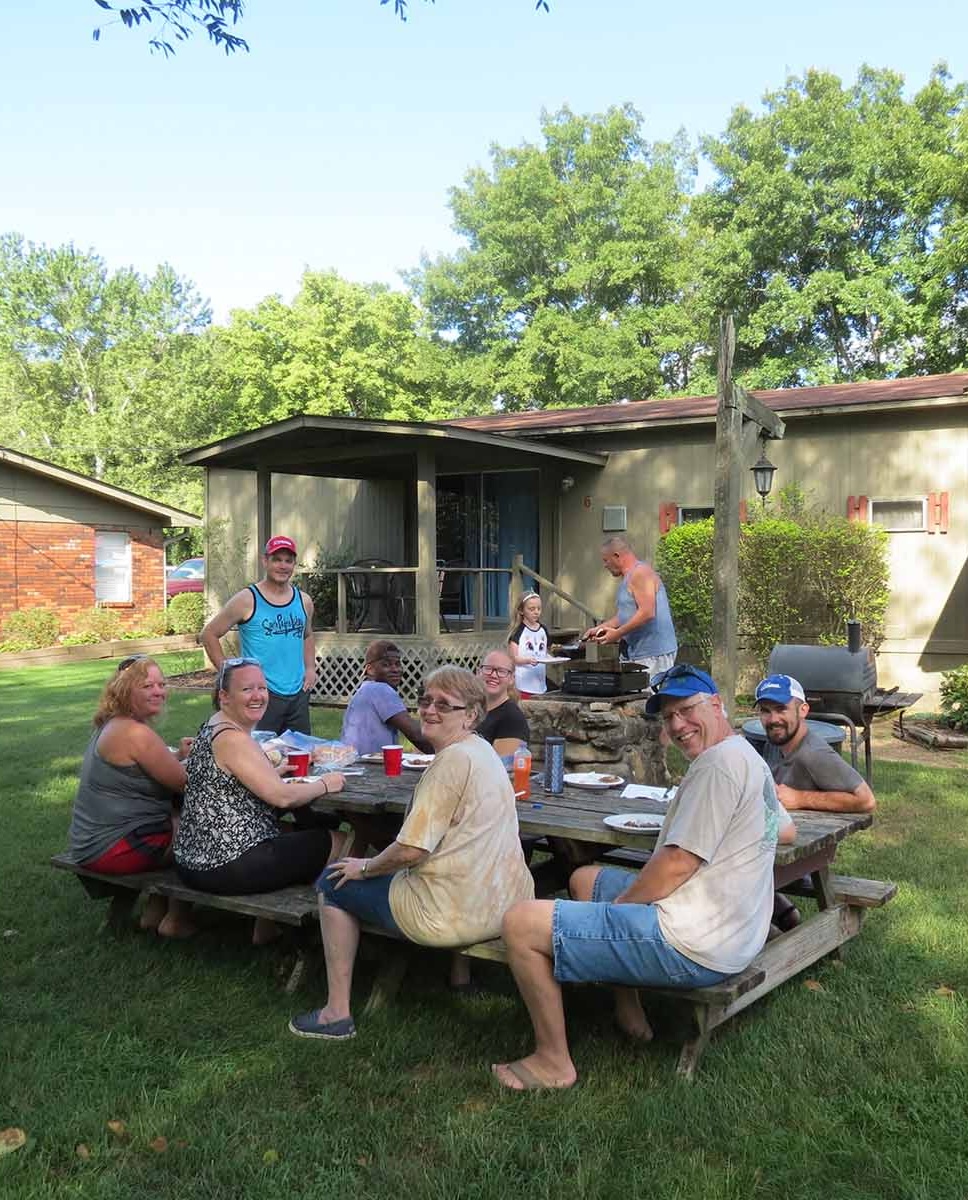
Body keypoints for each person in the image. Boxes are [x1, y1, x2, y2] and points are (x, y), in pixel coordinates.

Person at [491, 664, 795, 1091]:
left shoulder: (717, 767)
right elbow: (785, 828)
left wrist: (619, 913)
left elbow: (675, 865)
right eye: (668, 716)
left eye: (687, 709)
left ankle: (552, 1062)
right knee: (584, 879)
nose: (678, 724)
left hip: (694, 943)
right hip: (733, 931)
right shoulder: (747, 756)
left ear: (716, 704)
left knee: (520, 923)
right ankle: (628, 1009)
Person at [288, 666, 535, 1040]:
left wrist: (367, 866)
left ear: (470, 714)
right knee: (367, 867)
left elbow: (410, 849)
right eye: (425, 701)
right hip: (504, 902)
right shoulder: (482, 750)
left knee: (334, 879)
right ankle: (458, 976)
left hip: (449, 914)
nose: (430, 710)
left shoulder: (451, 763)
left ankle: (335, 1014)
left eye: (444, 705)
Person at [173, 658, 345, 944]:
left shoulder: (213, 726)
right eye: (247, 689)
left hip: (193, 858)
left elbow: (227, 781)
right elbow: (282, 797)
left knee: (296, 836)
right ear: (224, 696)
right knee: (337, 841)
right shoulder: (234, 739)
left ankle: (266, 929)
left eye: (262, 688)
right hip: (225, 864)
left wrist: (272, 772)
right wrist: (326, 783)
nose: (258, 696)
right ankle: (323, 931)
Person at [67, 654, 196, 939]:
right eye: (147, 686)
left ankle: (154, 910)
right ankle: (176, 919)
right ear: (125, 690)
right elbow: (185, 784)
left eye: (161, 684)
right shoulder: (136, 733)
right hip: (114, 848)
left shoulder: (111, 724)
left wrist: (175, 756)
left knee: (178, 818)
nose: (159, 691)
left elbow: (139, 768)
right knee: (201, 829)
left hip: (90, 840)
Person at [200, 535, 316, 737]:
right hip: (262, 694)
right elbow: (209, 634)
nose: (283, 566)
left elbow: (307, 635)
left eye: (288, 561)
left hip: (298, 693)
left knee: (300, 756)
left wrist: (310, 668)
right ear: (265, 561)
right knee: (260, 757)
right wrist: (230, 676)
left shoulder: (303, 601)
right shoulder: (247, 599)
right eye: (277, 559)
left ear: (294, 565)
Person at [755, 674, 876, 813]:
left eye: (781, 709)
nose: (773, 719)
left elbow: (866, 801)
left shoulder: (814, 754)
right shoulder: (774, 743)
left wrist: (800, 798)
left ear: (803, 710)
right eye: (765, 711)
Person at [583, 534, 677, 677]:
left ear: (617, 555)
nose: (605, 565)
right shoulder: (628, 578)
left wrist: (617, 634)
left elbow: (647, 613)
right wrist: (599, 628)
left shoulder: (640, 573)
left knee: (650, 698)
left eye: (606, 560)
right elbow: (625, 616)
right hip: (637, 653)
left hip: (654, 653)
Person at [340, 640, 432, 755]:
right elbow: (416, 735)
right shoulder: (381, 689)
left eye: (398, 664)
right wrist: (444, 754)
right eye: (386, 665)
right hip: (369, 765)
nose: (395, 669)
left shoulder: (365, 689)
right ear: (370, 669)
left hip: (351, 760)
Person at [476, 648, 530, 758]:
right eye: (488, 669)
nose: (493, 675)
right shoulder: (469, 709)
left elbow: (501, 767)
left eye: (501, 671)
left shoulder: (512, 719)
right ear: (478, 672)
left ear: (511, 679)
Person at [508, 591, 551, 698]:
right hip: (523, 684)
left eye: (539, 609)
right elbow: (513, 658)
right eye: (531, 609)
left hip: (540, 683)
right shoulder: (518, 632)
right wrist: (528, 660)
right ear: (521, 611)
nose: (536, 612)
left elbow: (544, 652)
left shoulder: (543, 629)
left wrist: (552, 658)